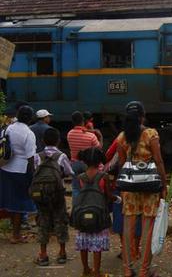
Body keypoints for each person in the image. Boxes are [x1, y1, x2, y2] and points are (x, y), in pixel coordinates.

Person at [117, 101, 167, 277]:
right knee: (148, 227)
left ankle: (127, 269)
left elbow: (122, 164)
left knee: (128, 228)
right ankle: (144, 271)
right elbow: (159, 161)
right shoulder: (151, 134)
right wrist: (164, 185)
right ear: (142, 116)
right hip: (150, 187)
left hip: (129, 188)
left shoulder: (122, 138)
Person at [33, 127, 73, 266]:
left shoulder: (37, 156)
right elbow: (69, 172)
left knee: (43, 222)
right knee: (60, 221)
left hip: (41, 195)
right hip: (57, 194)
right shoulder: (61, 156)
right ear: (58, 141)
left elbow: (35, 172)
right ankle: (62, 253)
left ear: (43, 141)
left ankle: (43, 255)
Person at [75, 147, 117, 277]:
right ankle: (97, 272)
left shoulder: (81, 177)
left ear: (85, 161)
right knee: (96, 245)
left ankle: (86, 269)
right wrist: (117, 199)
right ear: (100, 161)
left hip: (83, 214)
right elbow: (108, 195)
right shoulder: (103, 176)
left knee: (84, 244)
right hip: (99, 215)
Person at [0, 105, 36, 243]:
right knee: (20, 205)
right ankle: (16, 235)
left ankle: (15, 232)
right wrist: (33, 176)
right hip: (21, 171)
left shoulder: (9, 128)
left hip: (5, 167)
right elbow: (30, 157)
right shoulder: (28, 133)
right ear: (30, 118)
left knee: (8, 200)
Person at [67, 111, 102, 205]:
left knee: (75, 188)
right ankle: (89, 206)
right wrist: (100, 136)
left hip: (75, 164)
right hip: (88, 165)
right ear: (83, 121)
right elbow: (99, 149)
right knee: (91, 187)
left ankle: (76, 209)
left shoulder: (69, 134)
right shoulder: (91, 136)